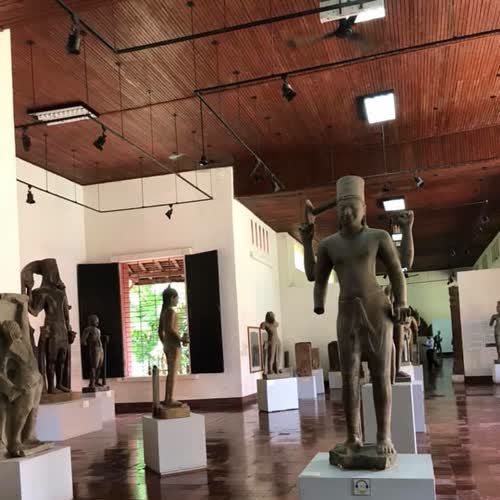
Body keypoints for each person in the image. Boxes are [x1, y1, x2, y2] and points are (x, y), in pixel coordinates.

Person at [310, 176, 408, 460]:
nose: (347, 212)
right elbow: (318, 278)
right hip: (347, 313)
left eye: (352, 206)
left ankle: (383, 435)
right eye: (342, 208)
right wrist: (319, 302)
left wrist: (401, 301)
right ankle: (353, 437)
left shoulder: (378, 237)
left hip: (377, 309)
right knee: (349, 377)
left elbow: (396, 270)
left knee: (380, 375)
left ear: (364, 209)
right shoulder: (329, 245)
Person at [158, 286, 189, 407]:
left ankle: (168, 398)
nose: (178, 300)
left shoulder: (163, 312)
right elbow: (170, 328)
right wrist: (181, 339)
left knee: (170, 373)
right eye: (177, 298)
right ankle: (170, 399)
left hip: (168, 345)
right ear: (172, 298)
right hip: (173, 345)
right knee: (173, 373)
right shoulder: (170, 311)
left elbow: (160, 331)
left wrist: (165, 343)